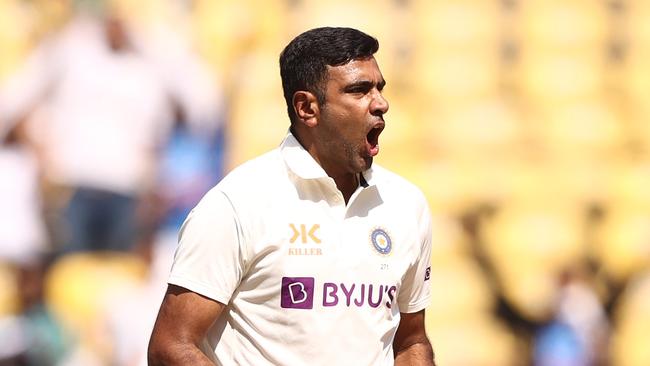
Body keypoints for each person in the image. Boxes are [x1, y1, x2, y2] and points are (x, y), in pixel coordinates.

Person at [148, 27, 435, 365]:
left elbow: (412, 342)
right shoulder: (237, 203)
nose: (381, 103)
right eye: (359, 90)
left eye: (379, 88)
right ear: (307, 108)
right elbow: (171, 346)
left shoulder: (406, 205)